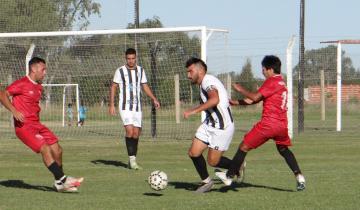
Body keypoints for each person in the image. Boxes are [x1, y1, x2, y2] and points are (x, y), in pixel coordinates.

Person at [215, 55, 306, 191]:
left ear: (269, 69)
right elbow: (255, 100)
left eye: (263, 69)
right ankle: (299, 176)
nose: (262, 71)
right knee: (283, 150)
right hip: (281, 125)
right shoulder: (281, 82)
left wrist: (240, 89)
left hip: (269, 124)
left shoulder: (271, 82)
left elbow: (255, 96)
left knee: (244, 146)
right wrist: (235, 102)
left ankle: (229, 175)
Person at [0, 57, 84, 192]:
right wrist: (14, 111)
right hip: (24, 127)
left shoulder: (39, 87)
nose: (45, 72)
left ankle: (59, 182)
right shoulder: (21, 83)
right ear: (34, 69)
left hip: (37, 125)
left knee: (57, 149)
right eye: (43, 69)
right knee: (45, 148)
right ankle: (64, 179)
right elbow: (2, 94)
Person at [183, 57, 243, 193]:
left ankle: (237, 166)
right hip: (210, 124)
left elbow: (214, 99)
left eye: (190, 71)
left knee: (213, 162)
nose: (188, 75)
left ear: (200, 70)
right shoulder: (205, 82)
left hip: (222, 127)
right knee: (193, 152)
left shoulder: (207, 81)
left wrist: (194, 110)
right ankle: (206, 182)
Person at [109, 48, 160, 170]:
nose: (131, 61)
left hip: (137, 107)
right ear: (125, 58)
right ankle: (132, 162)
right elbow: (113, 87)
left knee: (136, 133)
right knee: (130, 131)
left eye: (133, 58)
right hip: (124, 106)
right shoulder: (120, 71)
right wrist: (111, 104)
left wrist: (154, 98)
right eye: (128, 58)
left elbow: (145, 86)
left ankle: (132, 160)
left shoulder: (141, 71)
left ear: (136, 58)